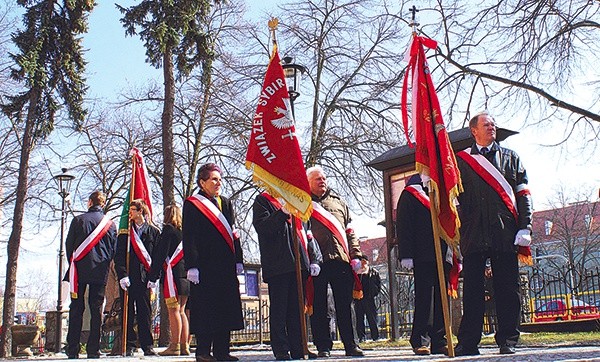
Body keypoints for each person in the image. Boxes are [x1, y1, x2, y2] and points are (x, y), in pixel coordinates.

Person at [454, 111, 533, 356]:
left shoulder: (511, 158)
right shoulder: (461, 162)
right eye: (486, 124)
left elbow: (523, 195)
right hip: (473, 233)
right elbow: (452, 198)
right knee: (473, 291)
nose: (492, 127)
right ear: (473, 130)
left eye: (493, 124)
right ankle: (469, 342)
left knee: (507, 289)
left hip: (504, 231)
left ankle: (508, 339)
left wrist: (525, 226)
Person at [183, 163, 244, 362]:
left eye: (220, 179)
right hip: (205, 265)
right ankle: (202, 352)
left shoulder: (225, 203)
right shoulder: (192, 203)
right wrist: (191, 265)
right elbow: (189, 235)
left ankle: (222, 351)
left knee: (225, 306)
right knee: (206, 308)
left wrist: (238, 260)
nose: (218, 183)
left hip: (225, 264)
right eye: (214, 179)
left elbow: (233, 233)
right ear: (202, 182)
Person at [252, 191, 323, 360]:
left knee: (297, 310)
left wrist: (311, 259)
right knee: (280, 309)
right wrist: (282, 213)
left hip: (298, 262)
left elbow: (305, 232)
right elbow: (263, 227)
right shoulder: (263, 200)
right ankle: (281, 348)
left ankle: (299, 347)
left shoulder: (294, 200)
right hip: (278, 264)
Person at [306, 165, 366, 358]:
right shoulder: (303, 203)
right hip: (317, 262)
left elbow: (350, 231)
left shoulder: (339, 202)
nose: (322, 181)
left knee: (345, 305)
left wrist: (356, 255)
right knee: (320, 306)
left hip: (341, 260)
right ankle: (323, 346)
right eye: (317, 178)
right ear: (308, 182)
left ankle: (351, 344)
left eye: (324, 178)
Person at [395, 174, 450, 356]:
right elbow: (404, 224)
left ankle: (440, 339)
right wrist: (406, 254)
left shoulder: (444, 189)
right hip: (423, 254)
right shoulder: (411, 193)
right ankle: (420, 339)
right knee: (425, 298)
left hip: (444, 253)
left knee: (443, 300)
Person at [65, 191, 117, 359]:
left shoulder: (78, 220)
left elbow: (69, 245)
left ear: (89, 202)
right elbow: (113, 250)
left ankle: (72, 348)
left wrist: (73, 263)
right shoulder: (110, 225)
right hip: (100, 270)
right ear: (102, 204)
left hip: (79, 269)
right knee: (96, 309)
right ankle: (93, 349)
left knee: (76, 308)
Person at [115, 199, 161, 356]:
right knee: (127, 312)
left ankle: (147, 345)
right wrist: (122, 275)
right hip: (128, 278)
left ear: (140, 211)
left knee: (144, 312)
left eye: (133, 210)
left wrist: (154, 277)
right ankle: (129, 344)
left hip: (144, 278)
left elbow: (157, 257)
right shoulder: (125, 233)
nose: (130, 213)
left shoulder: (154, 232)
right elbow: (119, 256)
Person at [147, 204, 190, 356]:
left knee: (174, 311)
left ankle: (174, 345)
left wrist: (152, 276)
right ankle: (185, 345)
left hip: (172, 277)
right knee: (183, 311)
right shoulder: (185, 232)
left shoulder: (168, 231)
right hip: (185, 276)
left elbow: (160, 255)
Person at [354, 265, 381, 343]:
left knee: (372, 318)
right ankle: (361, 337)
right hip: (359, 298)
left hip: (369, 298)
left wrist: (374, 293)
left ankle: (375, 336)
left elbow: (378, 284)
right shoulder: (357, 272)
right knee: (359, 318)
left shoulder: (374, 272)